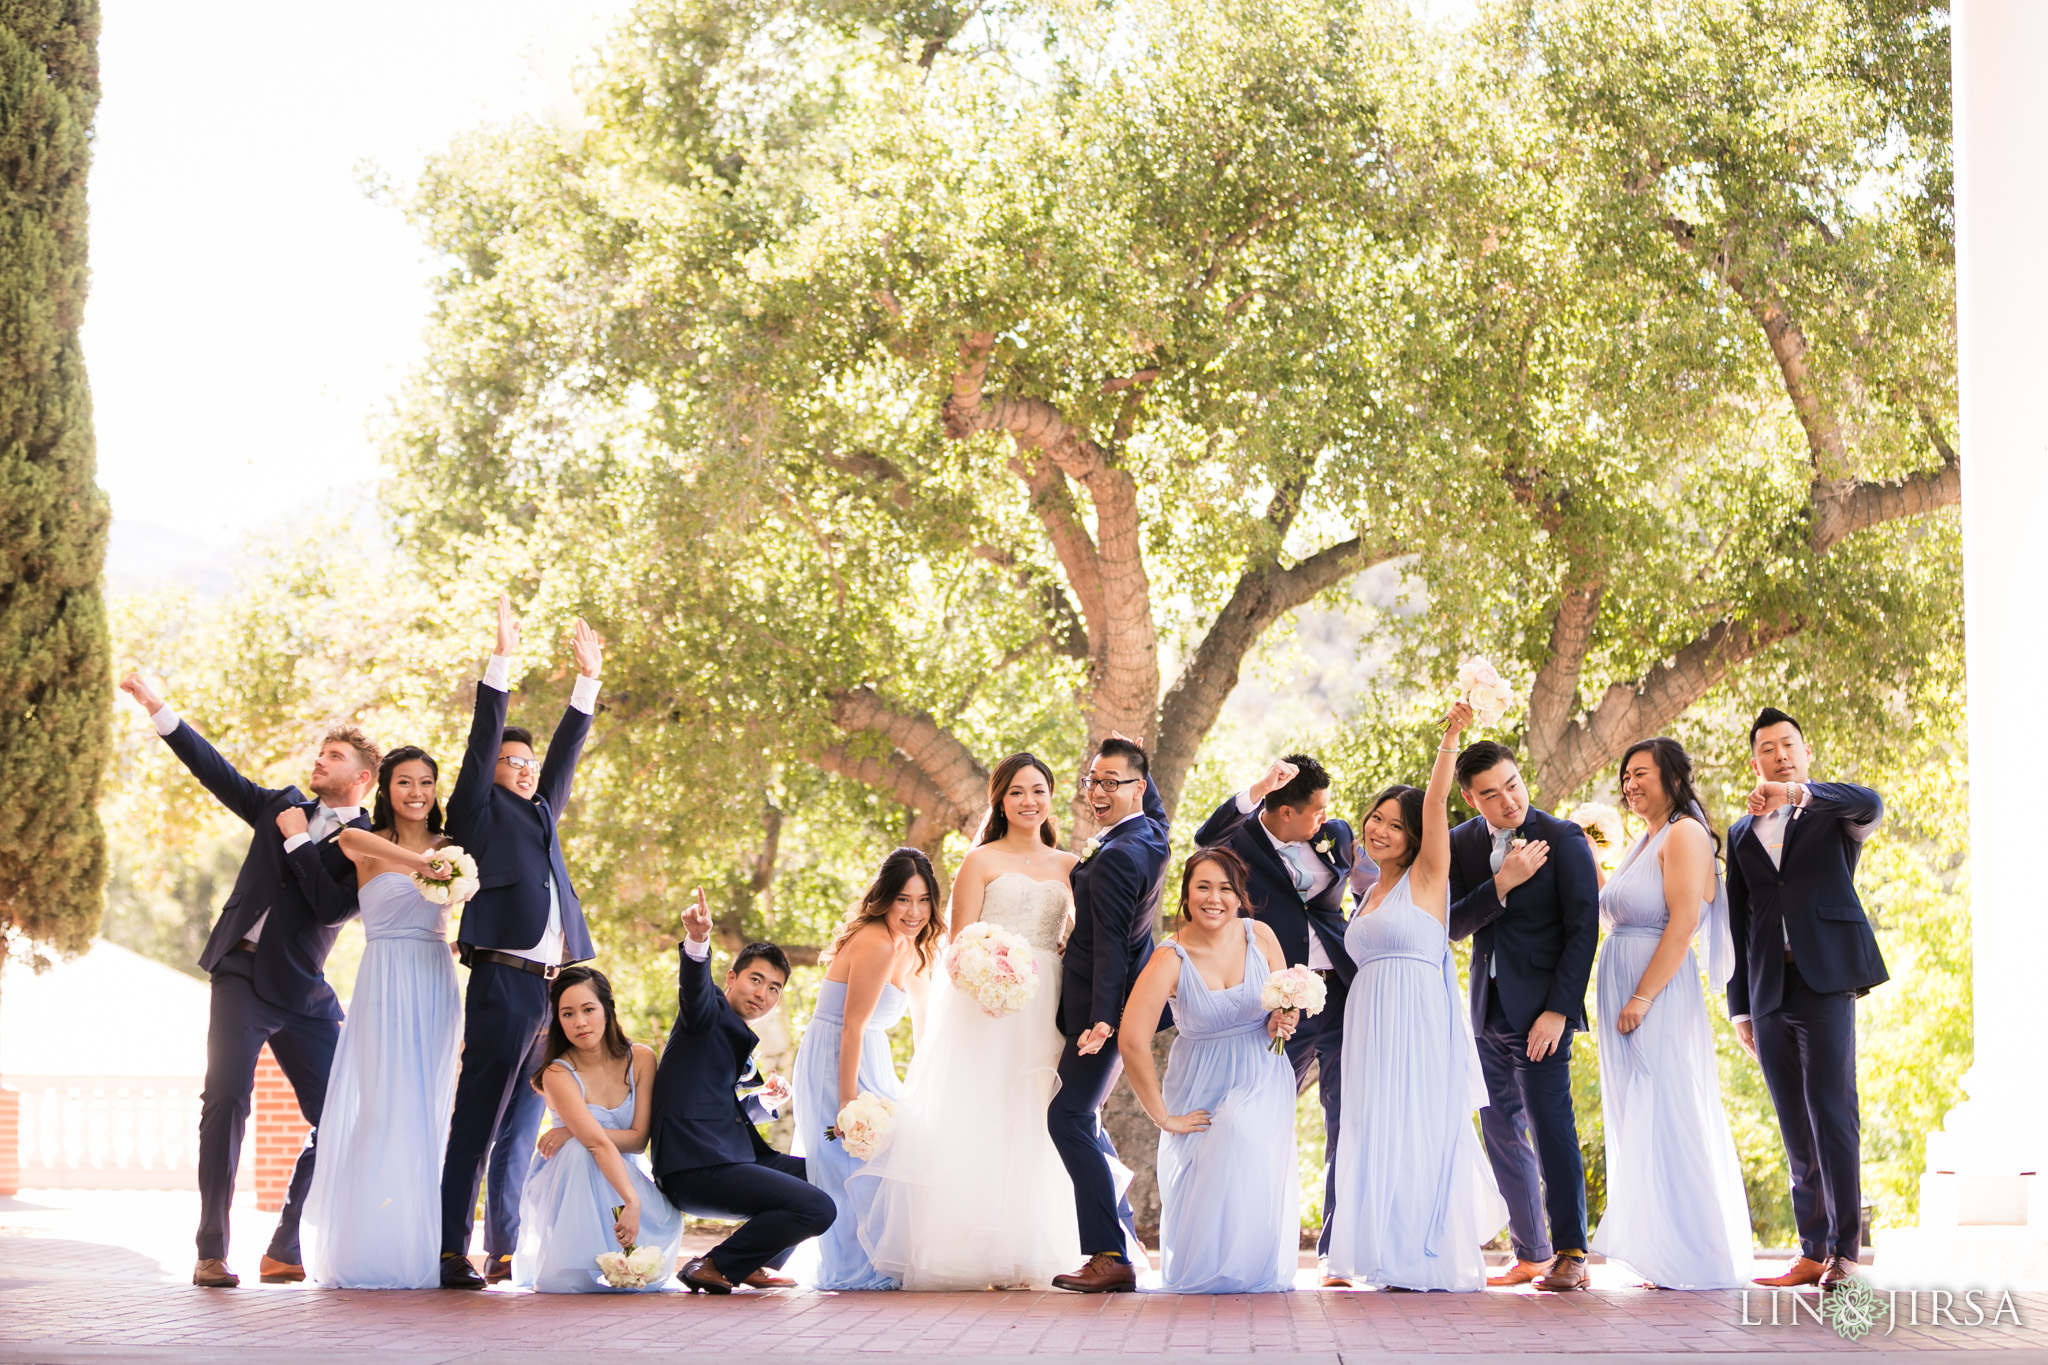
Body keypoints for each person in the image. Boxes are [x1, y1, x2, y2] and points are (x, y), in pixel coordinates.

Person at [117, 672, 376, 1290]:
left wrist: (296, 847)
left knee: (342, 1114)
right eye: (321, 750)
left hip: (305, 990)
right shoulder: (281, 804)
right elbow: (217, 772)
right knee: (226, 1101)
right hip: (240, 972)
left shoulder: (371, 841)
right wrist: (160, 709)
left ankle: (285, 1244)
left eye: (334, 756)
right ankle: (212, 1249)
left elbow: (331, 909)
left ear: (362, 778)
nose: (321, 759)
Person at [854, 753, 1085, 1290]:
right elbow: (958, 945)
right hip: (987, 1003)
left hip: (1047, 997)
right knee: (985, 1110)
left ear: (1051, 797)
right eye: (1016, 793)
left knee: (1037, 1115)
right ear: (1000, 801)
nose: (1029, 801)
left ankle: (1031, 1249)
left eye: (1038, 790)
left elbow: (1084, 938)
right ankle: (973, 1248)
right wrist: (985, 981)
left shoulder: (1071, 865)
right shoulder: (979, 860)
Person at [439, 596, 605, 1289]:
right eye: (512, 759)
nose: (524, 766)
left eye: (528, 760)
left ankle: (505, 1248)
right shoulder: (478, 809)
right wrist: (501, 660)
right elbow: (483, 742)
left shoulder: (541, 809)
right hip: (502, 981)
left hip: (551, 990)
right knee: (479, 1119)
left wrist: (587, 682)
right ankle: (451, 1249)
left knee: (523, 1125)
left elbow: (567, 749)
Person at [1327, 704, 1506, 1291]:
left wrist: (1449, 740)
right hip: (1369, 1023)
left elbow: (1434, 806)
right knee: (1373, 1125)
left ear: (1415, 837)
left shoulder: (1428, 876)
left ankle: (1422, 1253)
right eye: (1374, 819)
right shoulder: (1367, 892)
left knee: (1417, 1122)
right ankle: (1379, 1249)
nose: (1379, 830)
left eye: (1394, 824)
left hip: (1418, 1019)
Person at [1727, 708, 1887, 1292]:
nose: (1779, 754)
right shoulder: (1741, 833)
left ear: (1805, 751)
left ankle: (1847, 1251)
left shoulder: (1833, 813)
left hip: (1825, 982)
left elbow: (1869, 802)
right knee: (1794, 1123)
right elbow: (1739, 926)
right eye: (1768, 749)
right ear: (1755, 761)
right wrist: (1741, 1007)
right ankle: (1812, 1249)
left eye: (1788, 745)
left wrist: (1796, 793)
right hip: (1770, 989)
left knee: (1832, 1114)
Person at [1589, 738, 1753, 1289]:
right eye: (1625, 776)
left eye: (1641, 774)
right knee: (1638, 1113)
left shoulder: (1684, 832)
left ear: (1672, 777)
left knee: (1667, 1105)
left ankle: (1695, 1253)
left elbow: (1682, 922)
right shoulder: (1647, 837)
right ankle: (1661, 1249)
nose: (1630, 784)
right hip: (1627, 984)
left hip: (1653, 991)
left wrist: (1642, 997)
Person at [300, 748, 465, 1288]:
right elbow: (347, 841)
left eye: (426, 782)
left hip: (435, 978)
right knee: (380, 1108)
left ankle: (418, 1248)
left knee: (426, 1113)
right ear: (386, 789)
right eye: (404, 783)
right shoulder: (367, 841)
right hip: (384, 980)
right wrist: (422, 866)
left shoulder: (453, 850)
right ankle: (366, 1247)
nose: (416, 792)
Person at [1192, 754, 1356, 1281]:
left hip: (1342, 993)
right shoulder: (1239, 841)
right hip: (1279, 1003)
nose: (1325, 818)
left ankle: (1336, 1250)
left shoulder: (1335, 833)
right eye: (1314, 811)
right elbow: (1203, 837)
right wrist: (1256, 787)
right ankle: (1255, 1238)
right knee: (1262, 1113)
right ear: (1283, 810)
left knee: (1345, 1115)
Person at [1447, 738, 1600, 1291]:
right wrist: (1502, 883)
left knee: (1552, 1126)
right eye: (1491, 794)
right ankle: (1531, 1251)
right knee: (1499, 1129)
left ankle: (1572, 1253)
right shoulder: (1460, 843)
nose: (1508, 801)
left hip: (1542, 1014)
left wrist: (1559, 1011)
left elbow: (1584, 932)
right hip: (1485, 1012)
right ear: (1470, 798)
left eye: (1512, 785)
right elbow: (1452, 923)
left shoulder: (1563, 839)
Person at [1118, 847, 1300, 1294]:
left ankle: (1250, 1268)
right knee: (1202, 1171)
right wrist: (1163, 1117)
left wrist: (1285, 1019)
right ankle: (1206, 1272)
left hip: (1261, 1068)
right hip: (1197, 1077)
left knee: (1240, 1133)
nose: (1214, 898)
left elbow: (1285, 1001)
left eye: (1225, 888)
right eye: (1203, 887)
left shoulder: (1262, 938)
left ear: (1240, 896)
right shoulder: (1171, 957)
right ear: (1186, 895)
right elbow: (1132, 1040)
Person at [653, 889, 829, 1294]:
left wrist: (761, 1101)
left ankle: (753, 1263)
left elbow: (713, 1108)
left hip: (724, 1157)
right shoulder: (707, 1010)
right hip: (693, 1167)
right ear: (731, 979)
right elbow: (695, 988)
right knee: (817, 1207)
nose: (762, 994)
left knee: (824, 1175)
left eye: (774, 988)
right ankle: (713, 1264)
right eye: (755, 979)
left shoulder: (734, 1036)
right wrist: (698, 940)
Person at [1048, 735, 1171, 1294]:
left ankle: (1108, 1255)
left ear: (1134, 788)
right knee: (1083, 1120)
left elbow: (1114, 945)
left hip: (1105, 1011)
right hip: (1110, 1004)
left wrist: (1101, 1020)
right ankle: (1118, 1232)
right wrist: (1144, 778)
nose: (1096, 791)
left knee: (1068, 1118)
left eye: (1110, 782)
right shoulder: (1148, 834)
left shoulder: (1121, 854)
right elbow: (1158, 813)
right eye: (1092, 780)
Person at [790, 848, 940, 1289]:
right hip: (835, 1058)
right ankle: (856, 1271)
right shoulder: (875, 943)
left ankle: (885, 1261)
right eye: (903, 900)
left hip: (868, 1054)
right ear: (885, 899)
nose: (914, 911)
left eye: (924, 900)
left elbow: (924, 1024)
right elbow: (851, 1027)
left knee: (908, 1145)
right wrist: (847, 1106)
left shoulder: (912, 947)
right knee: (848, 1164)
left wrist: (928, 1082)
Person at [512, 967, 682, 1292]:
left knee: (666, 1218)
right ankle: (575, 1268)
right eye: (568, 1013)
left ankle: (618, 1259)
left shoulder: (641, 1059)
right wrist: (631, 1202)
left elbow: (637, 1140)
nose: (580, 1022)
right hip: (565, 1179)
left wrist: (573, 1131)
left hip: (621, 1171)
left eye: (588, 1009)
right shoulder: (557, 1074)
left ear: (607, 1009)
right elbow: (595, 1145)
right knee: (579, 1151)